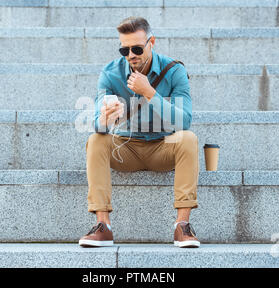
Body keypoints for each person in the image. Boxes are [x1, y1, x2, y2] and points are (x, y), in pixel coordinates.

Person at [79, 16, 200, 248]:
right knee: (96, 140)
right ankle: (103, 226)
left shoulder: (174, 71)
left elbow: (184, 121)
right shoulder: (111, 73)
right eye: (124, 50)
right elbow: (97, 125)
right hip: (126, 148)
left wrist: (149, 93)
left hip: (162, 148)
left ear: (151, 42)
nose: (131, 55)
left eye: (136, 48)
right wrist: (105, 118)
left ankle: (182, 226)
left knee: (188, 139)